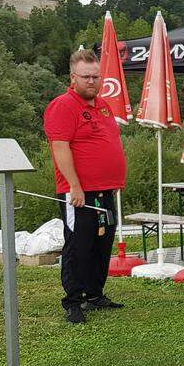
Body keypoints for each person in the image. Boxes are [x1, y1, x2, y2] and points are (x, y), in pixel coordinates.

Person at [43, 49, 127, 324]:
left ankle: (94, 293)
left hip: (106, 189)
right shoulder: (63, 106)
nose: (92, 81)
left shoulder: (103, 105)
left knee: (102, 243)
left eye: (96, 76)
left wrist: (115, 178)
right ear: (73, 77)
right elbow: (60, 148)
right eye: (86, 77)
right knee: (78, 245)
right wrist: (74, 186)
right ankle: (73, 300)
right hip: (79, 192)